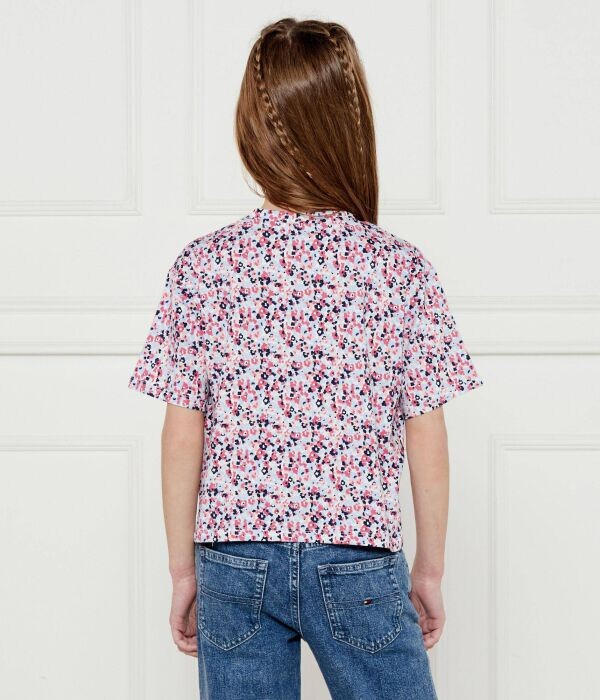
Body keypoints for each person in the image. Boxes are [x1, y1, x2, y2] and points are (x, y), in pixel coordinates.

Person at [127, 17, 484, 700]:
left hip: (234, 558)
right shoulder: (399, 269)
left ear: (249, 131)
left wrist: (182, 571)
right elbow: (427, 434)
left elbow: (181, 434)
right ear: (351, 128)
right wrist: (430, 570)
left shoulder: (204, 267)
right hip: (359, 556)